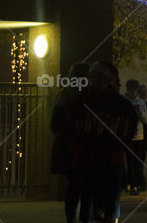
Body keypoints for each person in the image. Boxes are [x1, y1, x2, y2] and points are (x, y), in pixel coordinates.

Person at [67, 61, 136, 223]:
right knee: (87, 196)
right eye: (93, 77)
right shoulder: (81, 101)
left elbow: (129, 129)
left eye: (99, 77)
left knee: (108, 199)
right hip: (87, 156)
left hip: (109, 157)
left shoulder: (121, 105)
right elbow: (70, 125)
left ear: (109, 80)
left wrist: (120, 148)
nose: (95, 81)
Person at [50, 61, 89, 223]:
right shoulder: (87, 96)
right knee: (84, 185)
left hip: (68, 145)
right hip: (82, 145)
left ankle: (71, 218)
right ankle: (83, 217)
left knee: (74, 184)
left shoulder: (63, 95)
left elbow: (54, 123)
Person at [124, 79, 147, 195]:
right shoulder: (123, 101)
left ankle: (137, 183)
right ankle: (131, 184)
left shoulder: (141, 102)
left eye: (135, 90)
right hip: (127, 136)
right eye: (131, 89)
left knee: (138, 161)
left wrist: (139, 113)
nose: (133, 92)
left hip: (139, 136)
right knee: (130, 161)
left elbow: (145, 120)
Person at [135, 85, 147, 191]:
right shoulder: (139, 103)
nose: (145, 94)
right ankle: (140, 182)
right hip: (140, 135)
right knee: (139, 159)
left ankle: (139, 181)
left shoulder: (144, 103)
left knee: (140, 160)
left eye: (145, 92)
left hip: (144, 135)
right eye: (143, 92)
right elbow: (145, 119)